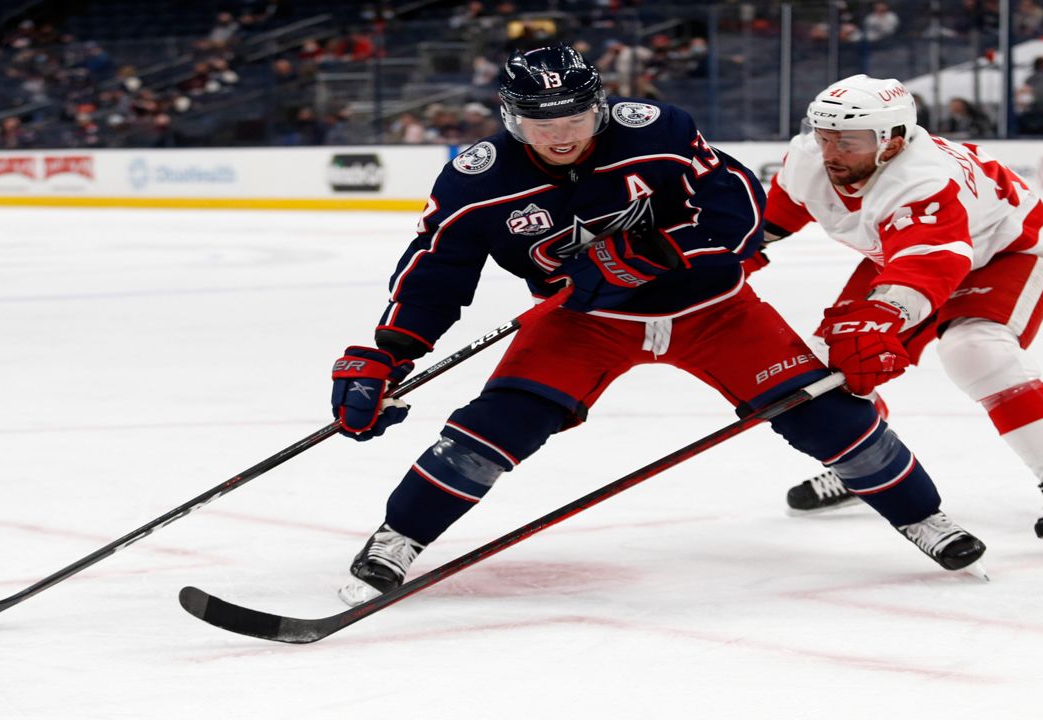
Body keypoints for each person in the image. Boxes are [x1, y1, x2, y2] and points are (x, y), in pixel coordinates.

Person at [329, 46, 987, 607]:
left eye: (578, 116)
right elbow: (434, 278)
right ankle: (401, 536)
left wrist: (653, 255)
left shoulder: (657, 130)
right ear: (509, 118)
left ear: (602, 106)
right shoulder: (477, 182)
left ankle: (924, 518)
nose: (562, 135)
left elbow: (737, 207)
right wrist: (387, 355)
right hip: (585, 320)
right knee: (495, 426)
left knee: (822, 414)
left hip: (715, 309)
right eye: (540, 121)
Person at [754, 74, 1043, 558]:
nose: (831, 152)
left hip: (1007, 255)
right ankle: (866, 460)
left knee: (975, 348)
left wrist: (880, 319)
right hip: (903, 256)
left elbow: (933, 265)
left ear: (894, 141)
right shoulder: (808, 157)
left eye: (849, 141)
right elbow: (770, 222)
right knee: (827, 365)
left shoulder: (925, 178)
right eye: (825, 136)